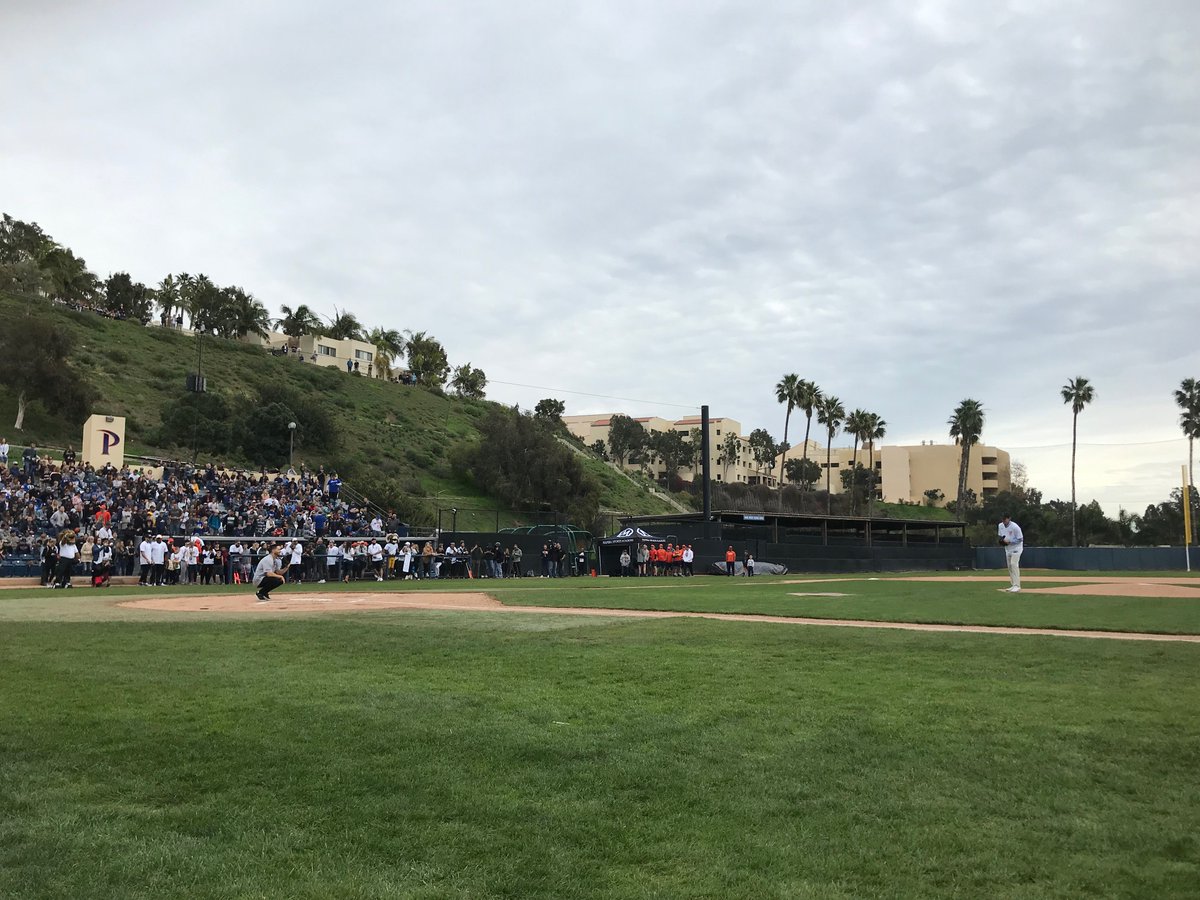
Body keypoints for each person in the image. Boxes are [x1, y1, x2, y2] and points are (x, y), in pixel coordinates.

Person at [998, 514, 1024, 592]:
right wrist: (1002, 541)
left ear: (1009, 518)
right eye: (1003, 519)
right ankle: (1013, 584)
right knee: (1009, 566)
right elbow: (1001, 536)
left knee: (1014, 564)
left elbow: (1020, 539)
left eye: (1005, 519)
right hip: (1008, 549)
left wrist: (1010, 542)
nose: (1004, 521)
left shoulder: (1015, 527)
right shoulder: (1000, 525)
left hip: (1016, 548)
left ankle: (1017, 585)